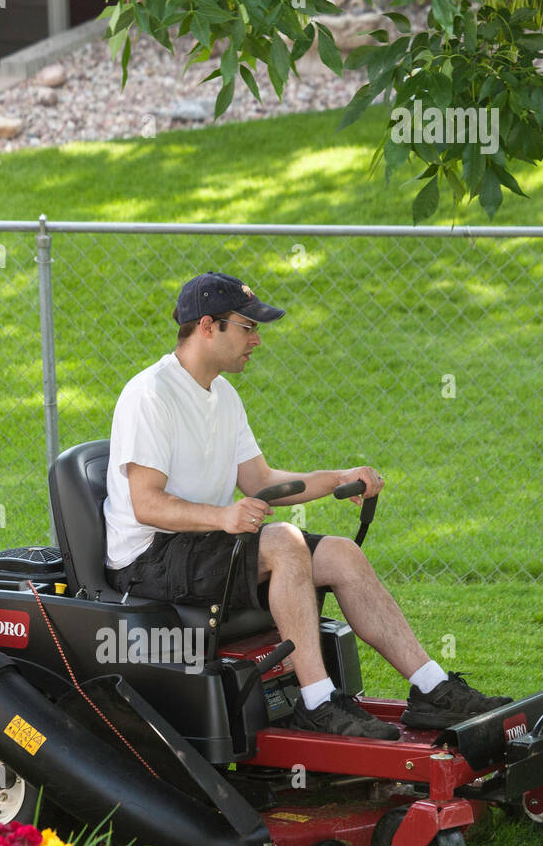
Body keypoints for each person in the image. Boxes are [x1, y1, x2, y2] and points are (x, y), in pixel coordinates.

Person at [103, 271, 510, 739]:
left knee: (341, 553)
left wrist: (339, 478)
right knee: (284, 542)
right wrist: (224, 516)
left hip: (203, 543)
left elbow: (260, 481)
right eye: (248, 327)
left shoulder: (223, 396)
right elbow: (146, 505)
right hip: (149, 557)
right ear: (208, 326)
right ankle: (318, 701)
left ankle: (432, 689)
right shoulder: (151, 395)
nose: (257, 340)